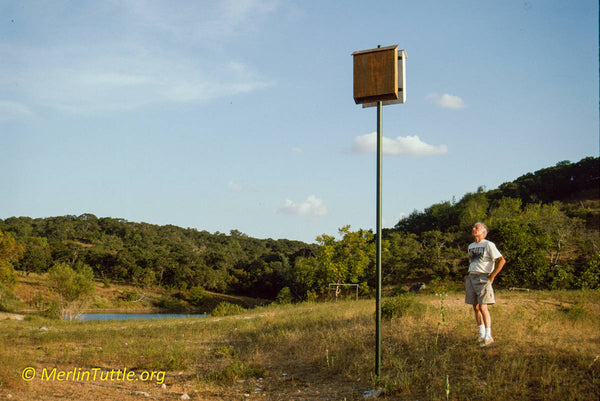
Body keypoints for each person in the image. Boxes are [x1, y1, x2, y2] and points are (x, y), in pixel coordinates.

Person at [465, 222, 505, 347]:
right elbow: (474, 261)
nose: (474, 229)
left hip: (483, 278)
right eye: (474, 227)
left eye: (477, 227)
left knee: (483, 307)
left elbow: (501, 260)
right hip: (472, 277)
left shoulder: (489, 244)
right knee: (475, 307)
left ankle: (488, 336)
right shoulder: (471, 246)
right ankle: (481, 335)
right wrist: (468, 274)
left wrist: (492, 276)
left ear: (483, 231)